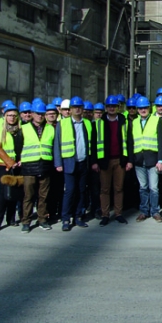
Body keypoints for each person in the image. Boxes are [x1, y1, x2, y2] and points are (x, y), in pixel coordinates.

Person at [53, 96, 95, 231]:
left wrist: (92, 162)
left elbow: (92, 146)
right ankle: (66, 219)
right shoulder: (62, 124)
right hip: (69, 163)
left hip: (83, 163)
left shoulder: (88, 124)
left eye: (79, 107)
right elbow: (57, 145)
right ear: (70, 110)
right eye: (74, 107)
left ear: (82, 109)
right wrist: (58, 163)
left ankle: (78, 216)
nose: (77, 109)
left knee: (82, 191)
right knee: (70, 191)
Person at [92, 95, 132, 227]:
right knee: (104, 189)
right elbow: (92, 144)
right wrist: (94, 162)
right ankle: (105, 215)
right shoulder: (99, 123)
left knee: (119, 188)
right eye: (109, 106)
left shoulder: (124, 121)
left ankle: (118, 214)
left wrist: (129, 160)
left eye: (113, 106)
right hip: (104, 161)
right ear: (105, 108)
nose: (111, 108)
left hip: (120, 160)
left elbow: (129, 142)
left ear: (118, 107)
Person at [129, 96, 162, 223]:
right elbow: (131, 142)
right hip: (139, 160)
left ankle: (155, 211)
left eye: (145, 107)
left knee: (154, 188)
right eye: (140, 108)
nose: (143, 110)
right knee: (143, 187)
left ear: (149, 108)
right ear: (137, 109)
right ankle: (144, 211)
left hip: (152, 160)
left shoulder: (156, 120)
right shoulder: (134, 122)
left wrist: (161, 160)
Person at [19, 102, 55, 233]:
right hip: (29, 167)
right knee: (28, 196)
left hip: (45, 166)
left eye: (42, 114)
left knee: (43, 196)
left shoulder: (51, 129)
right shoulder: (24, 128)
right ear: (32, 114)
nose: (40, 116)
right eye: (37, 114)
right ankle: (26, 222)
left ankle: (42, 219)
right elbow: (19, 147)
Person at [0, 104, 23, 231]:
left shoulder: (21, 129)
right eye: (9, 115)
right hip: (3, 166)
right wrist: (9, 162)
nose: (12, 118)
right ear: (4, 116)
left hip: (18, 165)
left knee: (14, 193)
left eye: (14, 115)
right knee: (4, 194)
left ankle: (11, 218)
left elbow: (24, 146)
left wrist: (22, 160)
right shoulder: (0, 128)